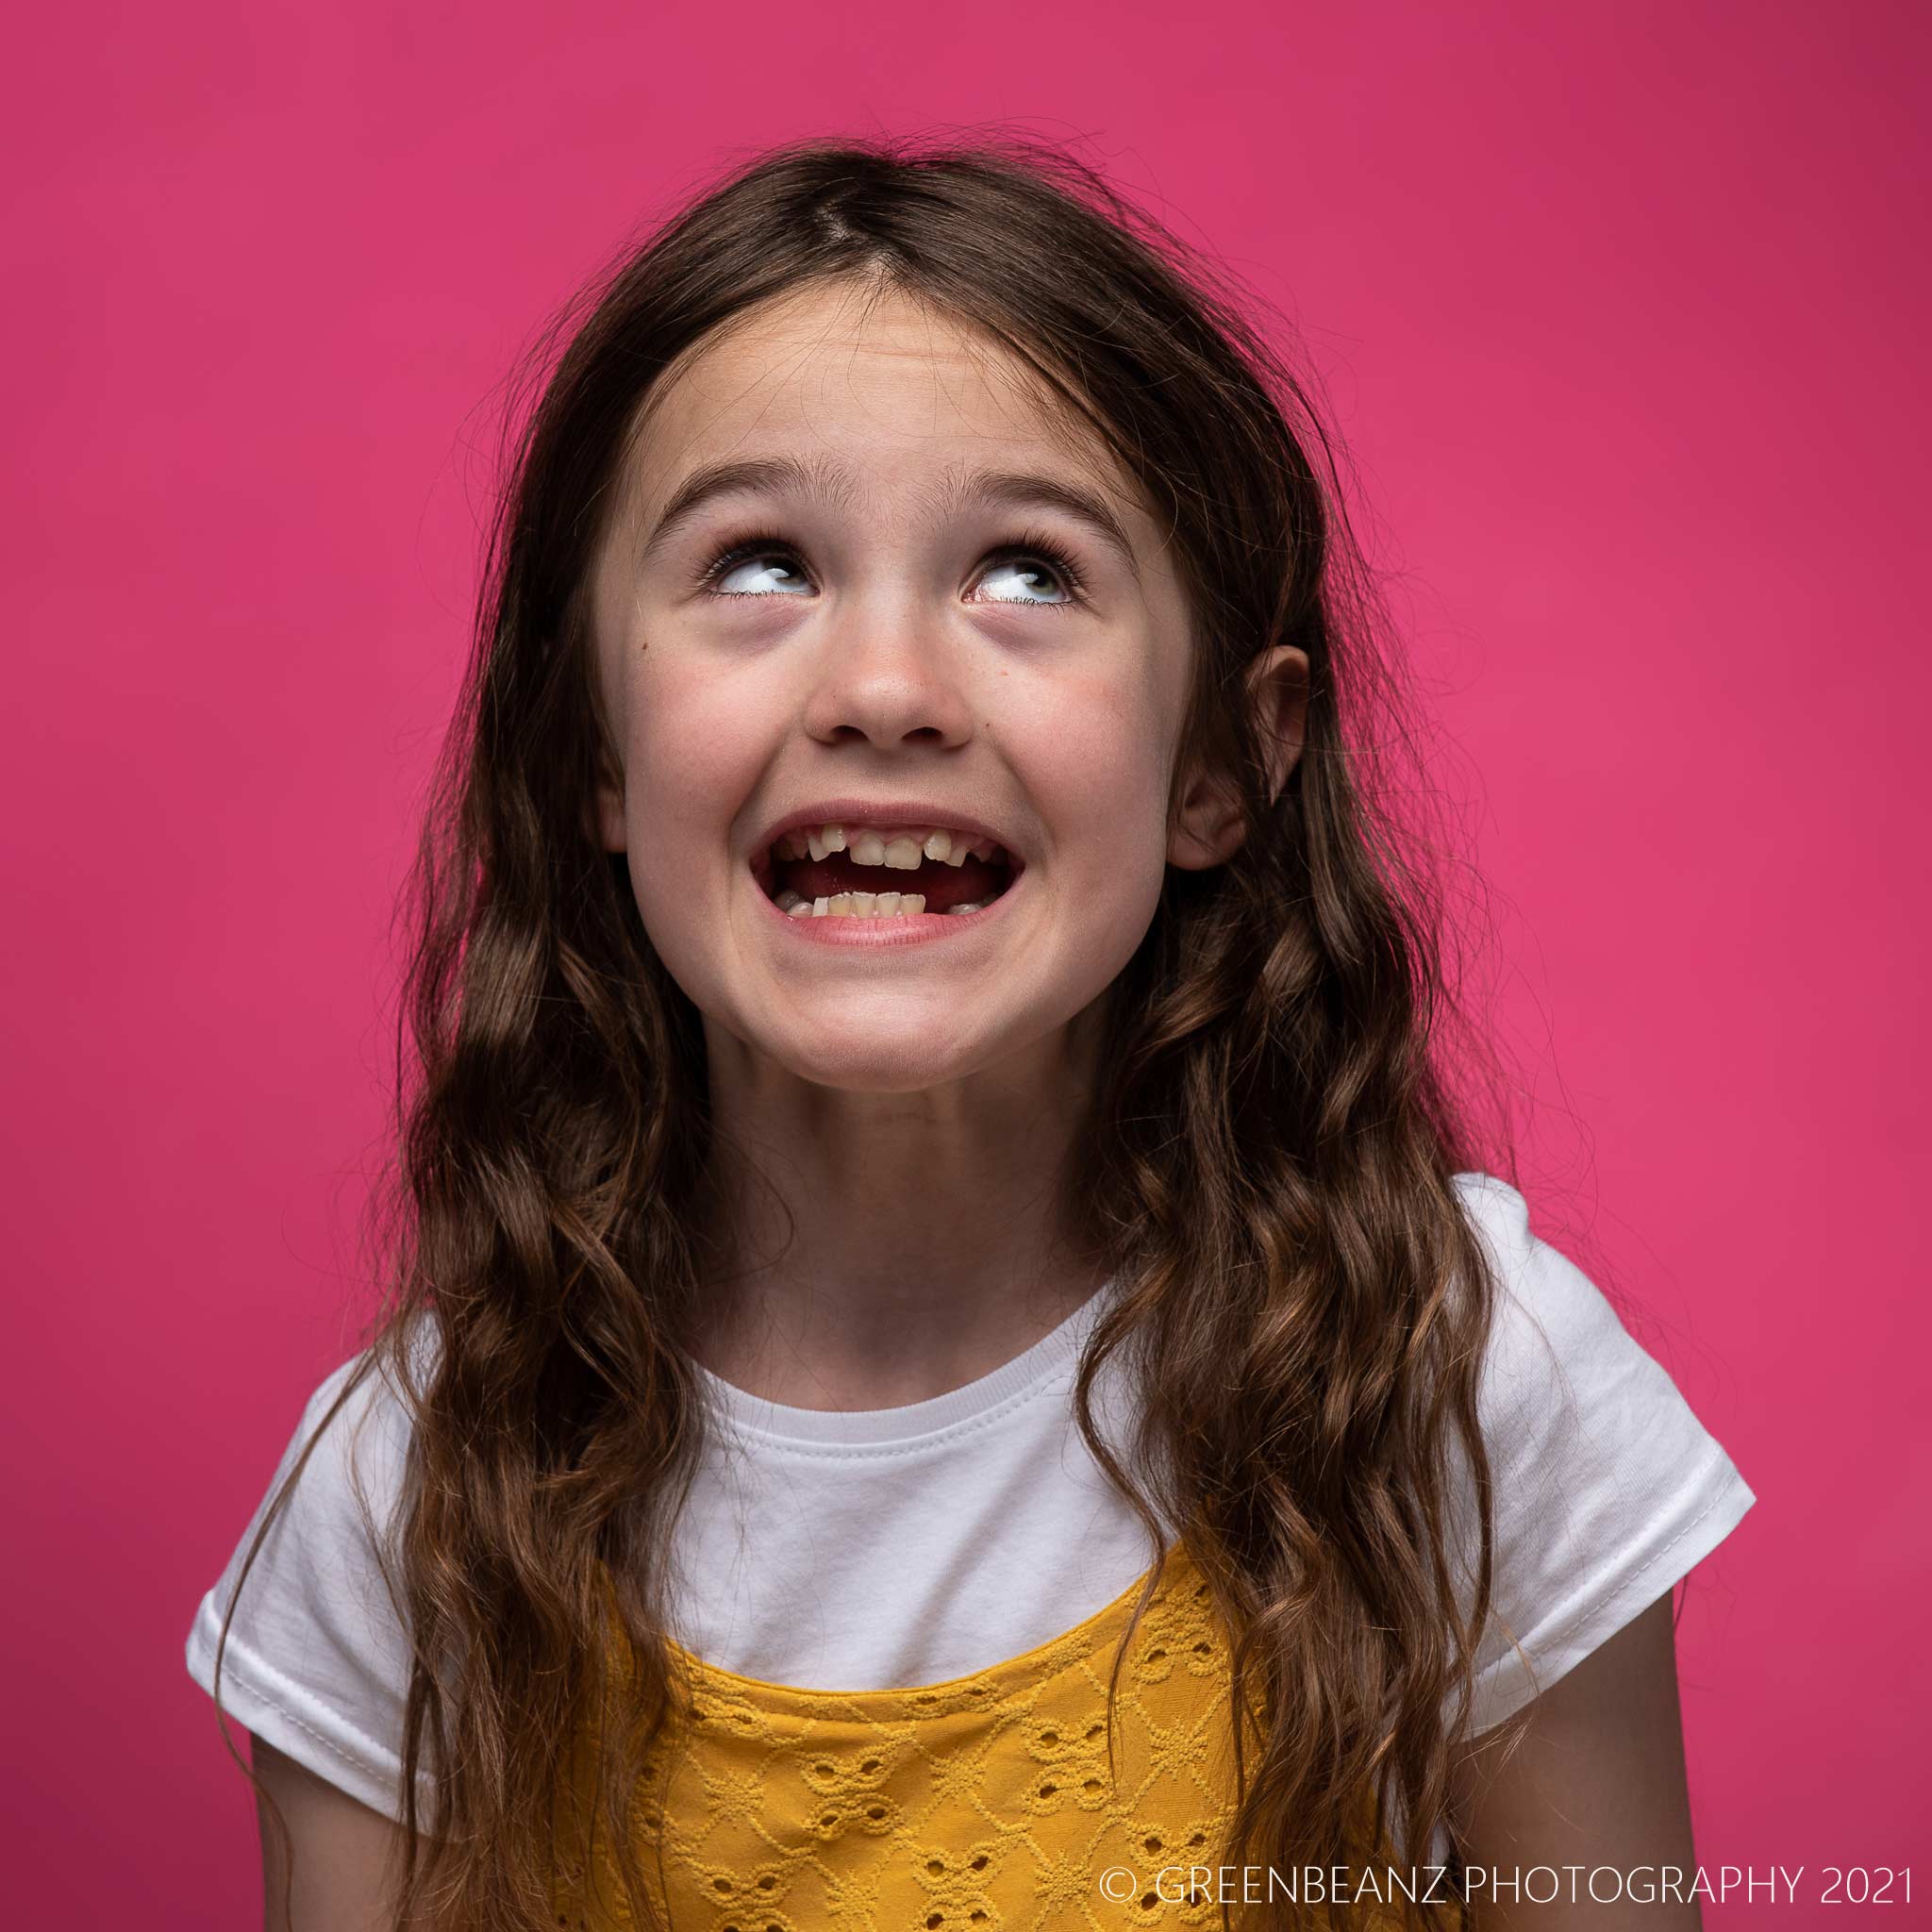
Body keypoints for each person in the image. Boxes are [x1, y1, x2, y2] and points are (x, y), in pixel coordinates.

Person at [184, 134, 1755, 1931]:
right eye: (760, 565)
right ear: (591, 752)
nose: (882, 691)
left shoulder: (1459, 1383)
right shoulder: (414, 1502)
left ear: (1224, 764)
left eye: (1026, 575)